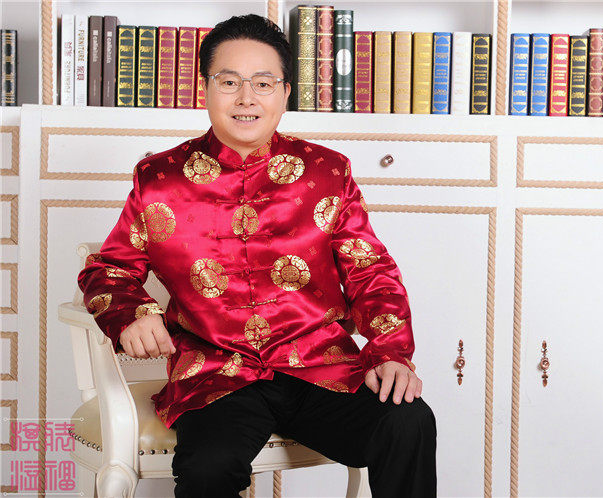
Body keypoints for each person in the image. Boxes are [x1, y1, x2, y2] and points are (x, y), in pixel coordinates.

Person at [76, 13, 437, 498]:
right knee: (207, 468)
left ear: (285, 93)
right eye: (229, 82)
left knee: (408, 421)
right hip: (216, 374)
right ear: (205, 89)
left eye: (263, 83)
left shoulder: (328, 172)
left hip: (322, 366)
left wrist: (390, 352)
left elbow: (370, 271)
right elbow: (110, 270)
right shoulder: (159, 179)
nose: (246, 98)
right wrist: (131, 314)